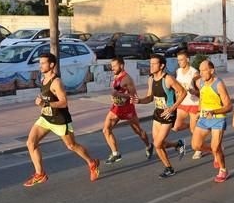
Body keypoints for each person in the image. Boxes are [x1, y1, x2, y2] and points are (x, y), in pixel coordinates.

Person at [24, 53, 99, 186]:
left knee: (71, 146)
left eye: (43, 63)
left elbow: (64, 102)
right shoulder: (43, 79)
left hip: (60, 120)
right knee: (31, 143)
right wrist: (42, 102)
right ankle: (40, 174)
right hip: (46, 118)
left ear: (51, 65)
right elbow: (47, 97)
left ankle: (92, 163)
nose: (40, 65)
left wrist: (45, 104)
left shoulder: (56, 82)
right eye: (40, 63)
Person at [133, 54, 187, 178]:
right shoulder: (151, 79)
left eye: (154, 64)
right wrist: (139, 101)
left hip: (168, 114)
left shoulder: (168, 79)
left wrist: (172, 108)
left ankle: (169, 168)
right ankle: (178, 145)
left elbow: (183, 92)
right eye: (150, 63)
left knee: (157, 144)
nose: (151, 66)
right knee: (159, 143)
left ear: (161, 65)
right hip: (157, 112)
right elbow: (150, 97)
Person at [102, 56, 152, 165]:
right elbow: (116, 91)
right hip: (116, 108)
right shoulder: (116, 76)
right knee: (106, 130)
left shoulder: (127, 79)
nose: (112, 68)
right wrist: (114, 97)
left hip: (127, 108)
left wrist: (118, 95)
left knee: (138, 131)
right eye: (112, 66)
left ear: (122, 65)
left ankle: (149, 145)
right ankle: (115, 153)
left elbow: (134, 96)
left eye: (114, 66)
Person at [191, 60, 233, 183]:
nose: (201, 73)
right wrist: (199, 111)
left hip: (218, 119)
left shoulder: (219, 84)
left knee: (216, 146)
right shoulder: (201, 82)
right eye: (200, 70)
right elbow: (202, 97)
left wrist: (214, 112)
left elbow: (229, 106)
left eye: (204, 70)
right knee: (196, 146)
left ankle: (223, 170)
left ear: (212, 70)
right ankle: (215, 152)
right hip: (204, 118)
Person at [173, 51, 203, 159]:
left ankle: (198, 150)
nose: (179, 62)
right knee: (176, 127)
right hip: (182, 103)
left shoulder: (194, 73)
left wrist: (195, 92)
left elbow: (202, 90)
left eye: (181, 60)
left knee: (193, 130)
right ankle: (198, 128)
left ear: (188, 59)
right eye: (178, 60)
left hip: (194, 103)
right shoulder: (178, 71)